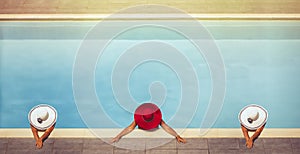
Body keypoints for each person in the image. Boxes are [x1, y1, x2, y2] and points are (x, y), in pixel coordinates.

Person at [111, 103, 186, 143]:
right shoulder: (158, 119)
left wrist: (118, 136)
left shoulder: (138, 119)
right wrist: (177, 135)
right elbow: (165, 126)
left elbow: (130, 128)